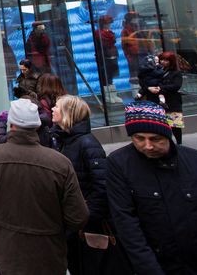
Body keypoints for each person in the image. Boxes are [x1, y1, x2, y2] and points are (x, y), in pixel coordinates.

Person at [0, 99, 89, 275]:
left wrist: (0, 218)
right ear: (37, 125)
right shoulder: (59, 163)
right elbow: (78, 216)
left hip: (7, 249)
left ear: (11, 124)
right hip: (49, 252)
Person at [107, 102, 197, 274]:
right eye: (139, 138)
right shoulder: (119, 164)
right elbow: (128, 227)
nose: (148, 145)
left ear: (167, 134)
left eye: (155, 139)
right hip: (162, 266)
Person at [50, 96, 130, 275]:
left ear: (68, 114)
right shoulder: (63, 140)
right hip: (73, 222)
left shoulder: (87, 143)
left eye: (57, 106)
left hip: (85, 224)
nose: (53, 109)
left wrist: (82, 217)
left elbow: (102, 187)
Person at [146, 51, 184, 144]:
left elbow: (176, 85)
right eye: (162, 59)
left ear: (172, 61)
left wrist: (161, 88)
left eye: (167, 60)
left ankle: (179, 143)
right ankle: (167, 142)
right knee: (162, 124)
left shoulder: (176, 73)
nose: (163, 62)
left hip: (172, 101)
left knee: (175, 125)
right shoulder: (158, 70)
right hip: (159, 101)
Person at [93, 15, 119, 92]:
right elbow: (104, 44)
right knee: (105, 77)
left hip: (112, 57)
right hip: (104, 58)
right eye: (107, 23)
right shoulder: (98, 33)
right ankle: (107, 95)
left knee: (110, 76)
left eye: (109, 23)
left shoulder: (110, 32)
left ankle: (112, 94)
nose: (109, 25)